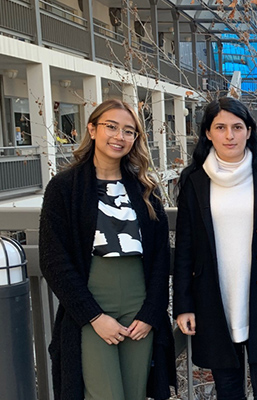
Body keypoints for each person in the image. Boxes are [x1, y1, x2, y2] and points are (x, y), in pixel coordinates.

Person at [39, 99, 175, 400]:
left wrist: (152, 313)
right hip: (92, 306)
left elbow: (160, 258)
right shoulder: (65, 187)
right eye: (111, 127)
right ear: (92, 128)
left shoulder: (145, 188)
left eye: (129, 131)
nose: (119, 136)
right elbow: (52, 259)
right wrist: (93, 316)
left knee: (135, 393)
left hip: (139, 307)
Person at [173, 97, 257, 400]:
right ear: (208, 133)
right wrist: (183, 304)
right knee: (228, 389)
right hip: (214, 297)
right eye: (220, 127)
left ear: (249, 131)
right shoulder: (193, 180)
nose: (229, 135)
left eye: (237, 127)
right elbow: (184, 246)